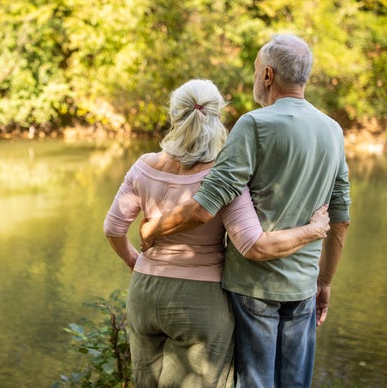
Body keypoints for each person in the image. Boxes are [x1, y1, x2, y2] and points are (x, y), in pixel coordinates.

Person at [140, 35, 351, 387]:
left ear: (267, 75)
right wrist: (325, 282)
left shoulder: (255, 125)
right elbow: (341, 221)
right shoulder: (333, 130)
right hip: (303, 287)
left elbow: (205, 207)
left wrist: (153, 229)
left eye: (255, 70)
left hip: (253, 288)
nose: (255, 77)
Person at [104, 78, 331, 387]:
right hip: (200, 303)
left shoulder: (145, 165)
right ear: (217, 119)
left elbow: (114, 228)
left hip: (145, 294)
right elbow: (254, 245)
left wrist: (134, 261)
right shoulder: (222, 177)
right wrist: (313, 229)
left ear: (173, 115)